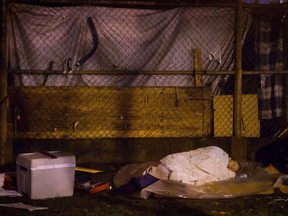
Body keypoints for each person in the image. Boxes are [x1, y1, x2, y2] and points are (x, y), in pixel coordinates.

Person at [116, 146, 240, 195]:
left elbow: (219, 172)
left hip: (174, 167)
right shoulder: (218, 153)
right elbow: (204, 157)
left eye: (234, 169)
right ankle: (127, 188)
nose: (232, 168)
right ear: (231, 159)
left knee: (158, 176)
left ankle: (133, 185)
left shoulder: (223, 167)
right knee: (155, 176)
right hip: (177, 164)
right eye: (233, 164)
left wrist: (230, 173)